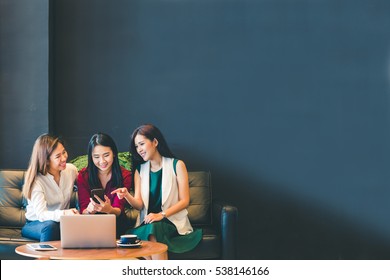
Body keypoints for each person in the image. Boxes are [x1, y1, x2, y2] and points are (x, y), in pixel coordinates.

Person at [111, 124, 202, 257]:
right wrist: (126, 196)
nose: (139, 149)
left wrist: (161, 215)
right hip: (148, 223)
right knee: (151, 229)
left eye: (141, 144)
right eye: (136, 146)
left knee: (153, 230)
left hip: (171, 222)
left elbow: (185, 201)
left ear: (155, 142)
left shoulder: (177, 165)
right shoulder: (139, 170)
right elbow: (139, 205)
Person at [21, 134, 79, 242]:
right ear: (46, 160)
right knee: (51, 227)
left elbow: (85, 186)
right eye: (58, 156)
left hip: (60, 222)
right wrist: (65, 213)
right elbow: (42, 215)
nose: (64, 158)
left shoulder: (71, 170)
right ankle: (45, 258)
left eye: (64, 152)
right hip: (36, 223)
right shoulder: (36, 181)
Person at [77, 133, 131, 234]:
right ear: (91, 157)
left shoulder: (125, 175)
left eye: (106, 155)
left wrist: (109, 210)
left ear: (114, 153)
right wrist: (89, 211)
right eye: (96, 157)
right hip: (91, 225)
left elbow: (119, 209)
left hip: (116, 224)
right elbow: (83, 209)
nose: (102, 161)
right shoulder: (83, 176)